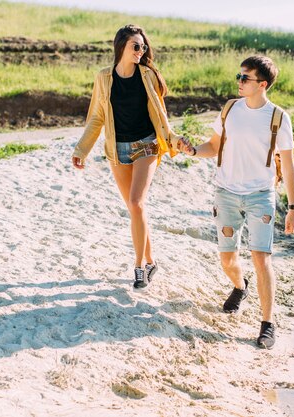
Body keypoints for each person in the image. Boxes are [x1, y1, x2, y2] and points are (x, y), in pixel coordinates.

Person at [180, 55, 294, 349]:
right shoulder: (230, 109)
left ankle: (268, 324)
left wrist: (293, 207)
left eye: (245, 78)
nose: (239, 82)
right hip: (226, 193)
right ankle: (239, 286)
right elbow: (213, 146)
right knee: (227, 258)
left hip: (261, 196)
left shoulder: (278, 118)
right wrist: (193, 151)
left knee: (261, 258)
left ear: (263, 84)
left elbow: (289, 164)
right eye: (239, 76)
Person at [71, 24, 187, 289]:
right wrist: (82, 149)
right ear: (121, 45)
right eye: (136, 46)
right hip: (118, 149)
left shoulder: (148, 75)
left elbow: (160, 115)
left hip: (146, 145)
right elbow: (97, 117)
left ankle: (139, 267)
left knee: (136, 203)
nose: (140, 51)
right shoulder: (103, 77)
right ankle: (151, 259)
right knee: (135, 209)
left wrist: (173, 140)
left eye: (143, 47)